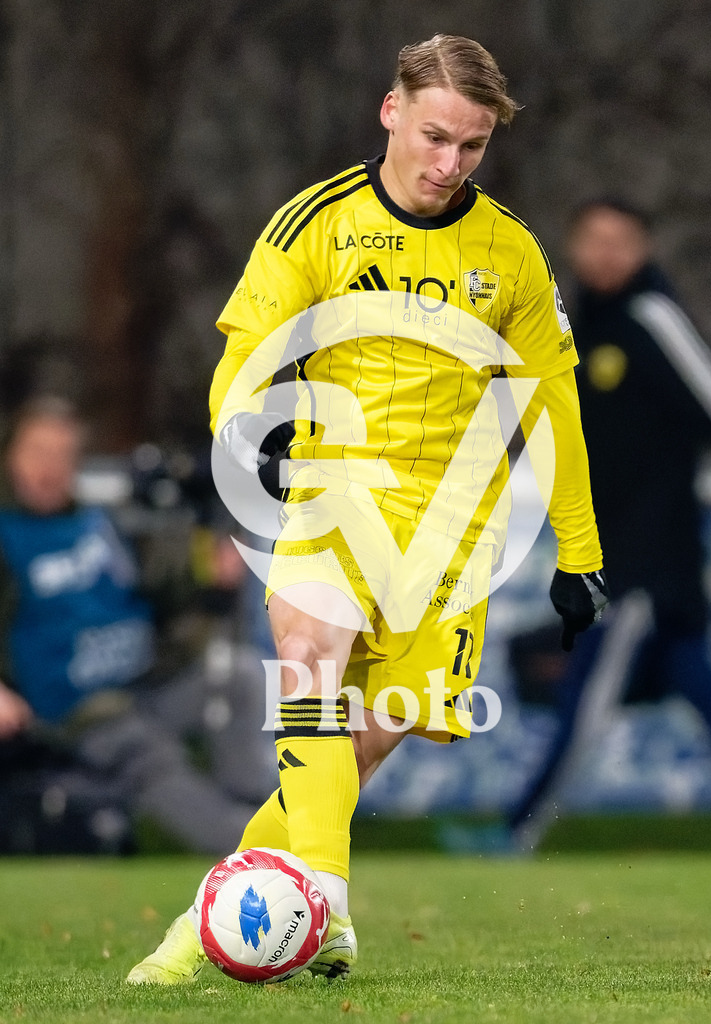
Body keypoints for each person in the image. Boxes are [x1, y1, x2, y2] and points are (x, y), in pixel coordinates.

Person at [127, 34, 606, 985]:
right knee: (306, 667)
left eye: (472, 147)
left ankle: (207, 922)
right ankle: (331, 912)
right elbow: (246, 345)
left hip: (455, 533)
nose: (449, 164)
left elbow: (556, 400)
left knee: (356, 748)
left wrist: (578, 548)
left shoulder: (510, 253)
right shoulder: (317, 223)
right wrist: (245, 427)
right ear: (392, 111)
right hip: (335, 491)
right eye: (435, 137)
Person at [507, 198, 711, 854]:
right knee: (701, 686)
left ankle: (518, 829)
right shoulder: (577, 330)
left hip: (647, 561)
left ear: (643, 249)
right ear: (573, 246)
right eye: (593, 239)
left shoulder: (655, 318)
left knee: (588, 690)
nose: (606, 253)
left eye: (620, 240)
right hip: (611, 550)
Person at [0, 396, 271, 855]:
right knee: (148, 756)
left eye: (62, 455)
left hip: (148, 683)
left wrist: (209, 565)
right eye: (38, 453)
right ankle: (253, 855)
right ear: (10, 456)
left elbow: (160, 590)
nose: (50, 468)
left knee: (238, 676)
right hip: (74, 713)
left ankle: (261, 815)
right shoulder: (7, 533)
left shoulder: (98, 522)